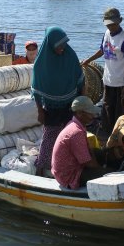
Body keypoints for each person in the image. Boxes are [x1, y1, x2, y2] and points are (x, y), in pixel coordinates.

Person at [31, 26, 84, 176]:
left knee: (69, 135)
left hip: (70, 104)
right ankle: (42, 166)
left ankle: (66, 165)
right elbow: (36, 91)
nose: (62, 48)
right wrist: (40, 111)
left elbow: (81, 79)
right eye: (59, 46)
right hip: (51, 106)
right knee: (50, 135)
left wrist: (82, 102)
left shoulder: (70, 55)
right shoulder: (41, 64)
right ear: (50, 44)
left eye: (64, 45)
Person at [81, 7, 124, 135]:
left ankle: (119, 140)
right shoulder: (106, 33)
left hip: (121, 83)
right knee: (106, 111)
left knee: (120, 115)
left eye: (113, 24)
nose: (111, 27)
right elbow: (102, 50)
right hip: (108, 81)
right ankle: (106, 137)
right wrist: (88, 60)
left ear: (120, 21)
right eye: (108, 24)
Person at [51, 96, 107, 189]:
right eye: (90, 113)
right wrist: (102, 170)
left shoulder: (74, 124)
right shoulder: (76, 132)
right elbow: (88, 163)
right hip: (68, 176)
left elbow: (88, 152)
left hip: (68, 168)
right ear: (80, 113)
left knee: (101, 153)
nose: (93, 116)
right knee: (108, 174)